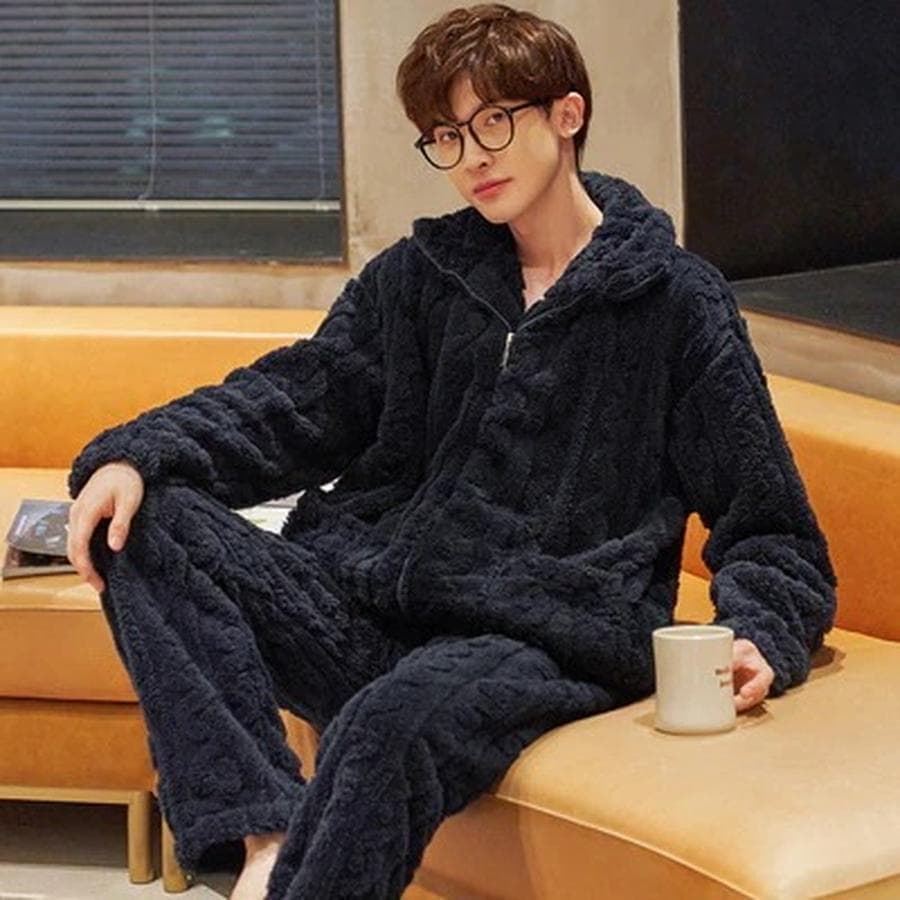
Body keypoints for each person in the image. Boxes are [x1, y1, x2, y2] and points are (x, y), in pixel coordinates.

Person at [66, 4, 837, 898]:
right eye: (446, 135)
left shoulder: (672, 300)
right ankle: (262, 836)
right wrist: (136, 453)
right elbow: (296, 399)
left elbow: (770, 526)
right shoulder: (419, 277)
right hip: (367, 606)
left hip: (538, 639)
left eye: (493, 122)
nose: (471, 155)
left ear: (568, 114)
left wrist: (762, 634)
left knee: (385, 730)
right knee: (144, 518)